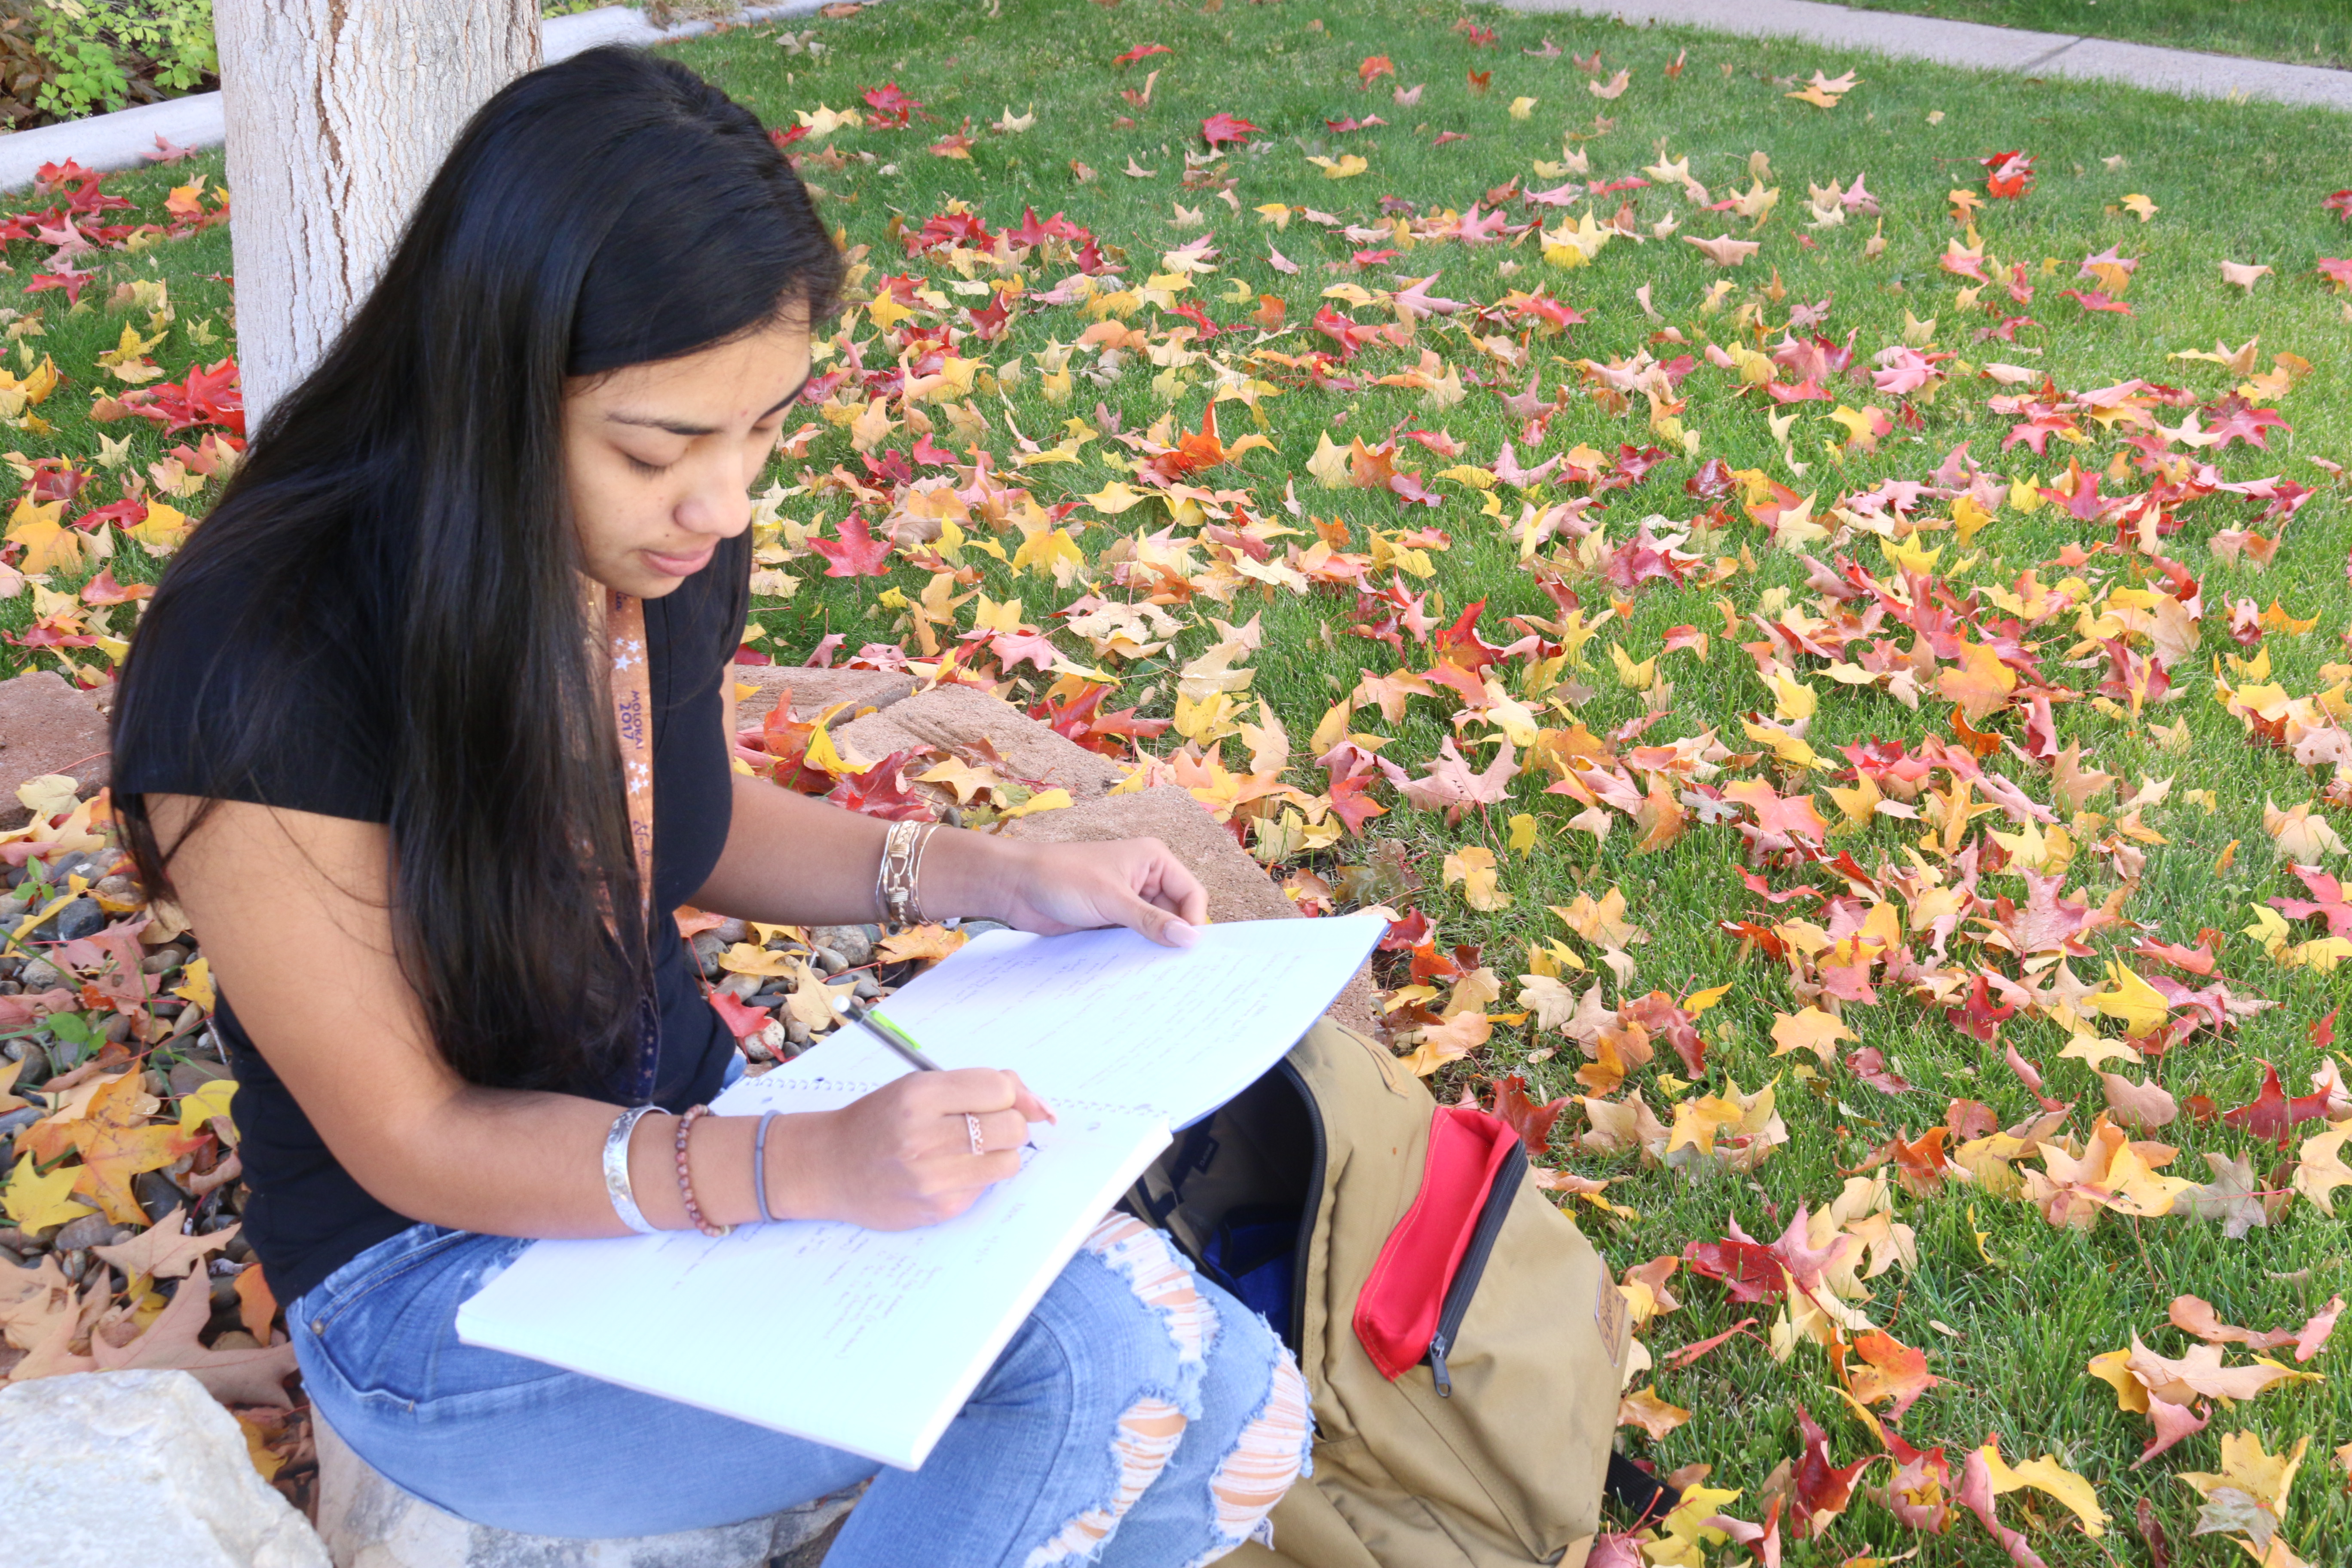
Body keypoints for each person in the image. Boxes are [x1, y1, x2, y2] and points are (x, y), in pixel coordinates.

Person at [111, 47, 1309, 1565]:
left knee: (1253, 1413)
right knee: (1099, 1355)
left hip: (689, 1167)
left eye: (765, 429)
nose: (727, 503)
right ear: (487, 385)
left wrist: (996, 877)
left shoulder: (646, 553)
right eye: (659, 447)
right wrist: (802, 1172)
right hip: (437, 1287)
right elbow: (412, 1135)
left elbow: (679, 819)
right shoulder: (261, 662)